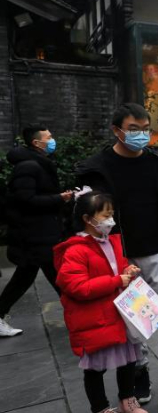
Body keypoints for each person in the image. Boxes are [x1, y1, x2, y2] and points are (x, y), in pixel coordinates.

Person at [75, 103, 158, 409]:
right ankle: (137, 372)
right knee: (133, 320)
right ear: (116, 130)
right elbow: (87, 214)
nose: (141, 135)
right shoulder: (97, 167)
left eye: (145, 129)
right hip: (121, 256)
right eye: (133, 129)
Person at [54, 189, 149, 413]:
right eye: (105, 215)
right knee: (95, 367)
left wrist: (129, 270)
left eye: (111, 214)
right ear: (88, 218)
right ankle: (101, 412)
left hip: (118, 315)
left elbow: (120, 265)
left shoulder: (113, 240)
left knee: (128, 359)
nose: (110, 220)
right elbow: (77, 287)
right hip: (95, 319)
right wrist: (117, 280)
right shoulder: (75, 250)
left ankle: (127, 400)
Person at [0, 126, 73, 337]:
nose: (53, 140)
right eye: (49, 137)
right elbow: (25, 200)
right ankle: (81, 314)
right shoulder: (29, 166)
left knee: (26, 277)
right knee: (58, 277)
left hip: (38, 233)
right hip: (36, 234)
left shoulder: (36, 164)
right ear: (36, 143)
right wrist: (59, 198)